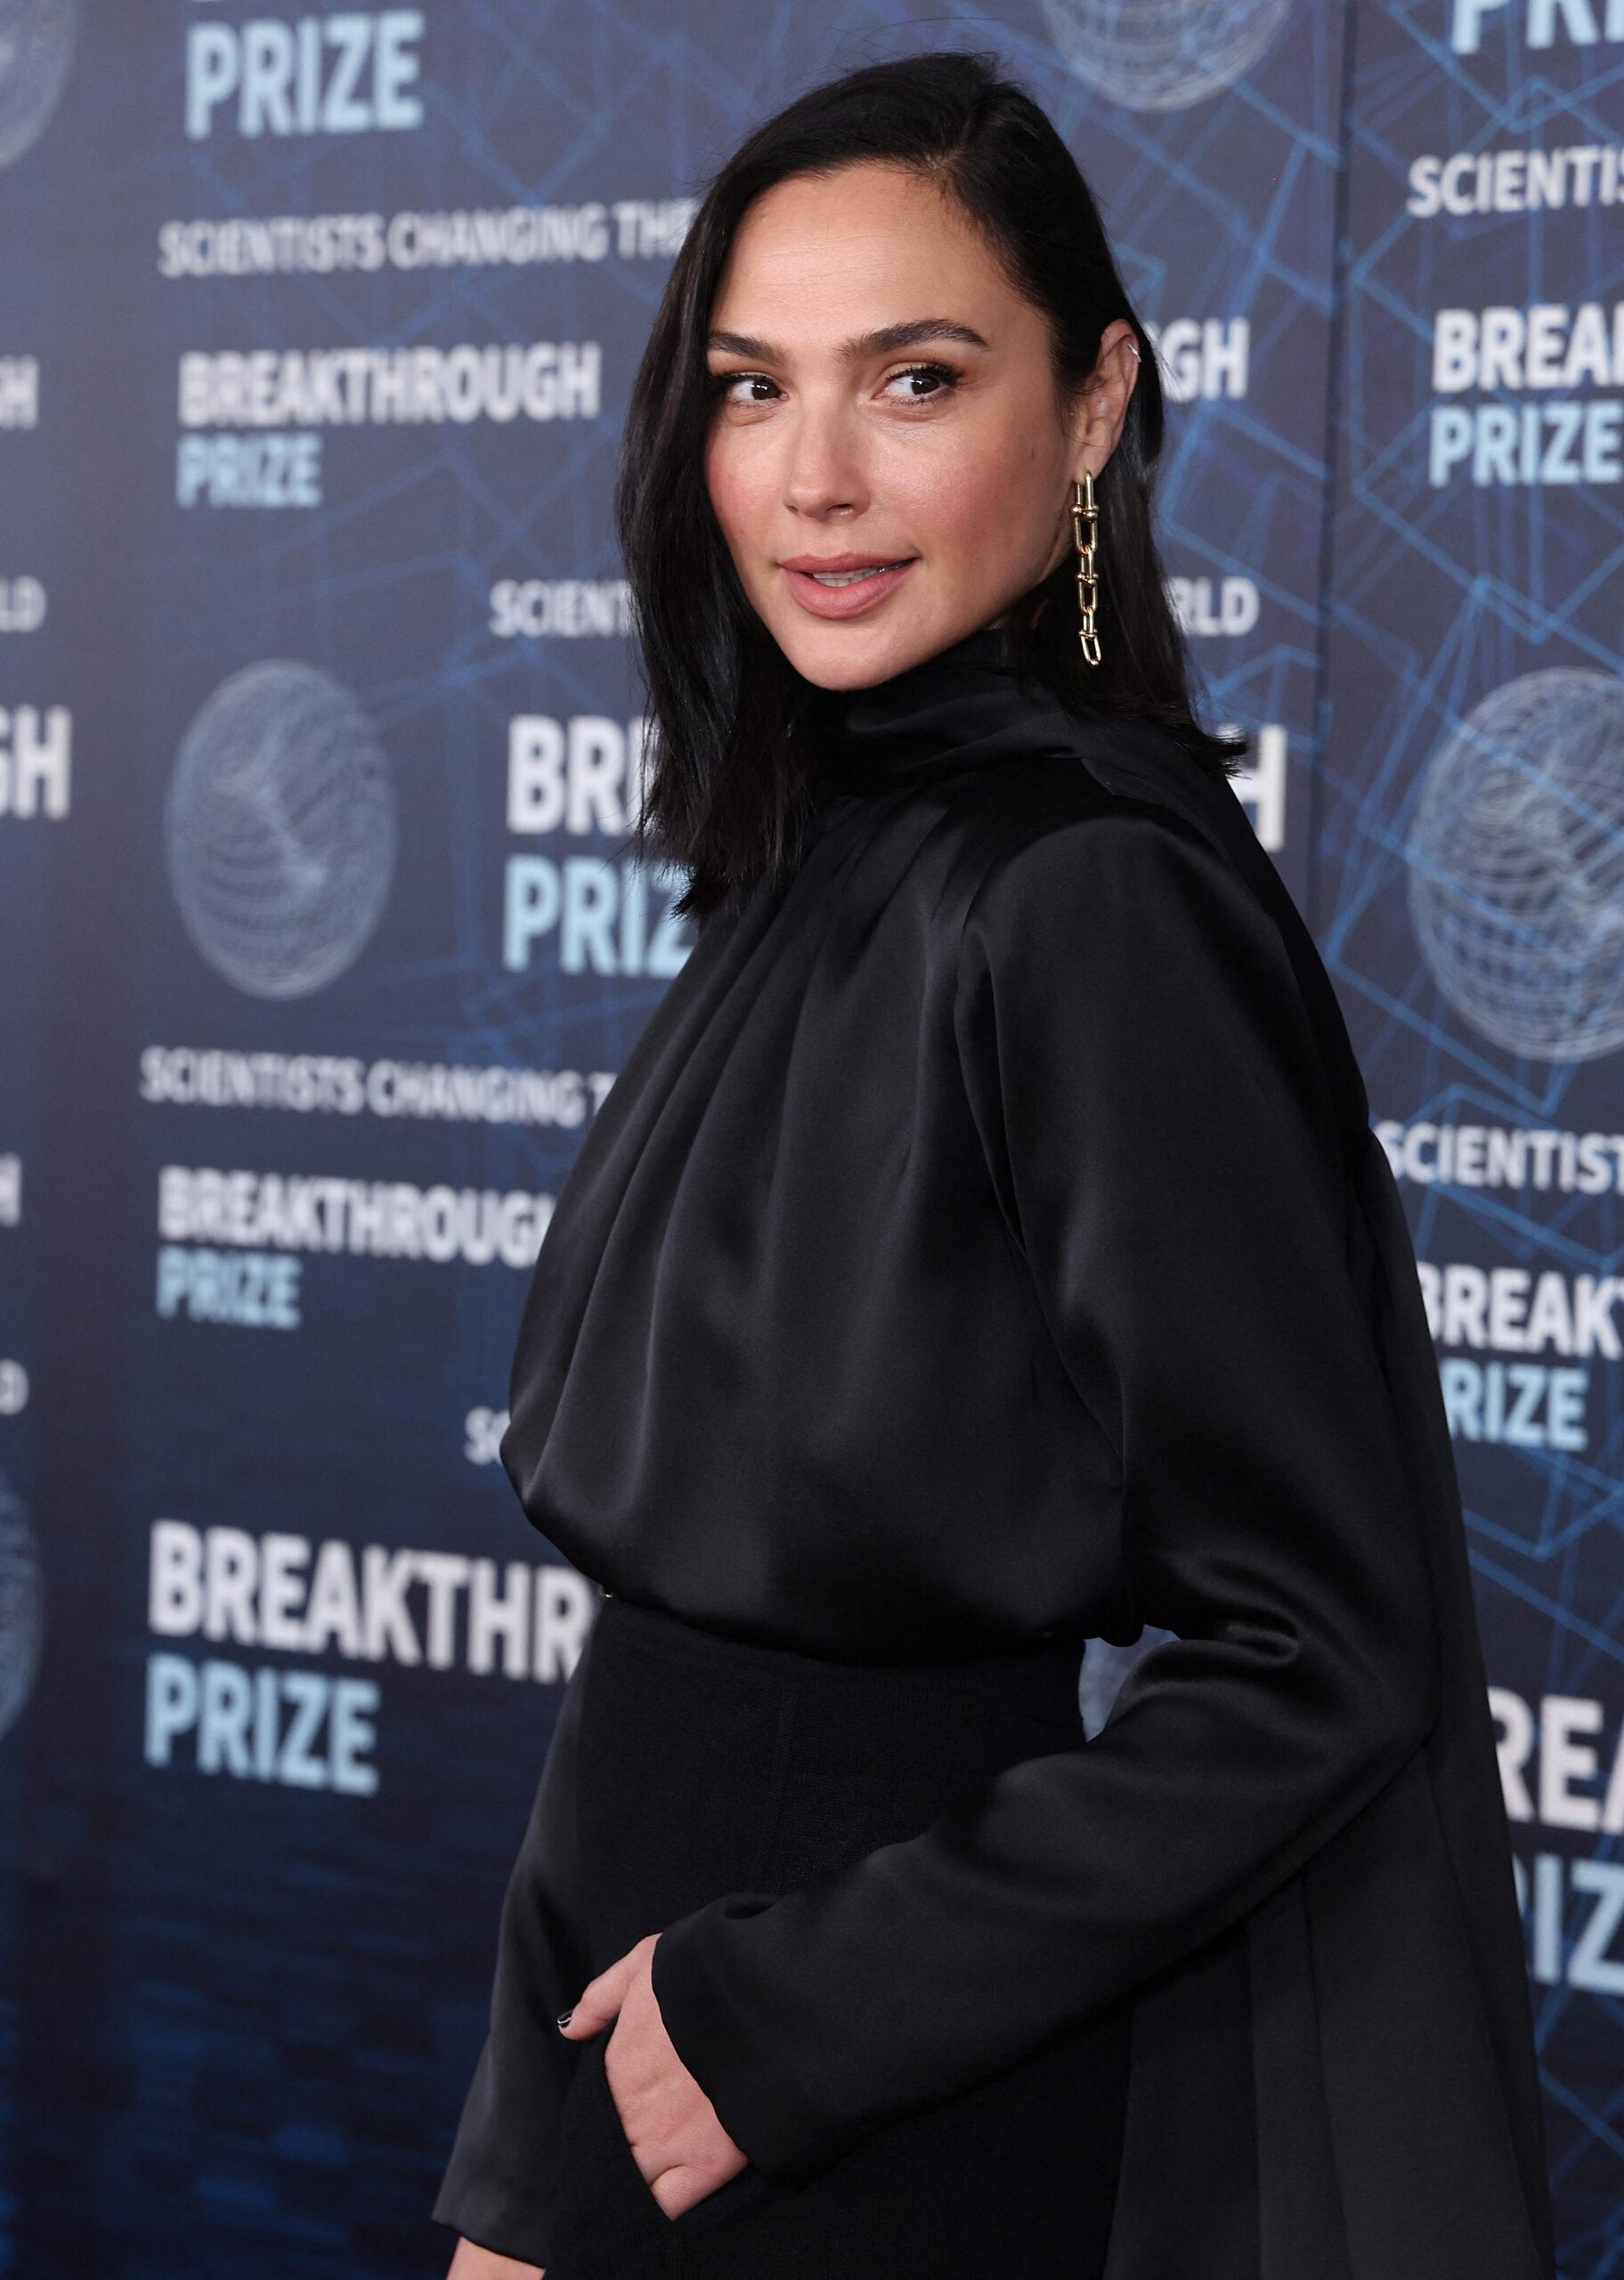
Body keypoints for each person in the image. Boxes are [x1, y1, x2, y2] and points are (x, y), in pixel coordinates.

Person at [435, 50, 1555, 2280]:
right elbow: (676, 1667)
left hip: (875, 2100)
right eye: (753, 389)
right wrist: (533, 2169)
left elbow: (1321, 1652)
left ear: (1096, 402)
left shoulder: (1085, 897)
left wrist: (779, 2018)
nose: (815, 478)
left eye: (914, 379)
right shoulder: (829, 842)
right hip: (641, 2053)